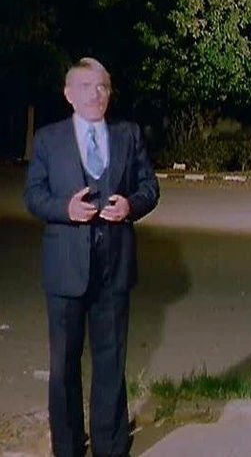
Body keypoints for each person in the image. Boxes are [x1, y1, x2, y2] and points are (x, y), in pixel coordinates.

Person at [24, 57, 159, 457]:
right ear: (69, 95)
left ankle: (110, 445)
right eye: (86, 86)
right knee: (64, 365)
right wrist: (65, 209)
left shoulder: (128, 134)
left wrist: (131, 206)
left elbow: (149, 187)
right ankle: (67, 446)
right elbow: (33, 195)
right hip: (66, 268)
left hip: (114, 267)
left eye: (102, 86)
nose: (95, 94)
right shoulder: (49, 139)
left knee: (111, 360)